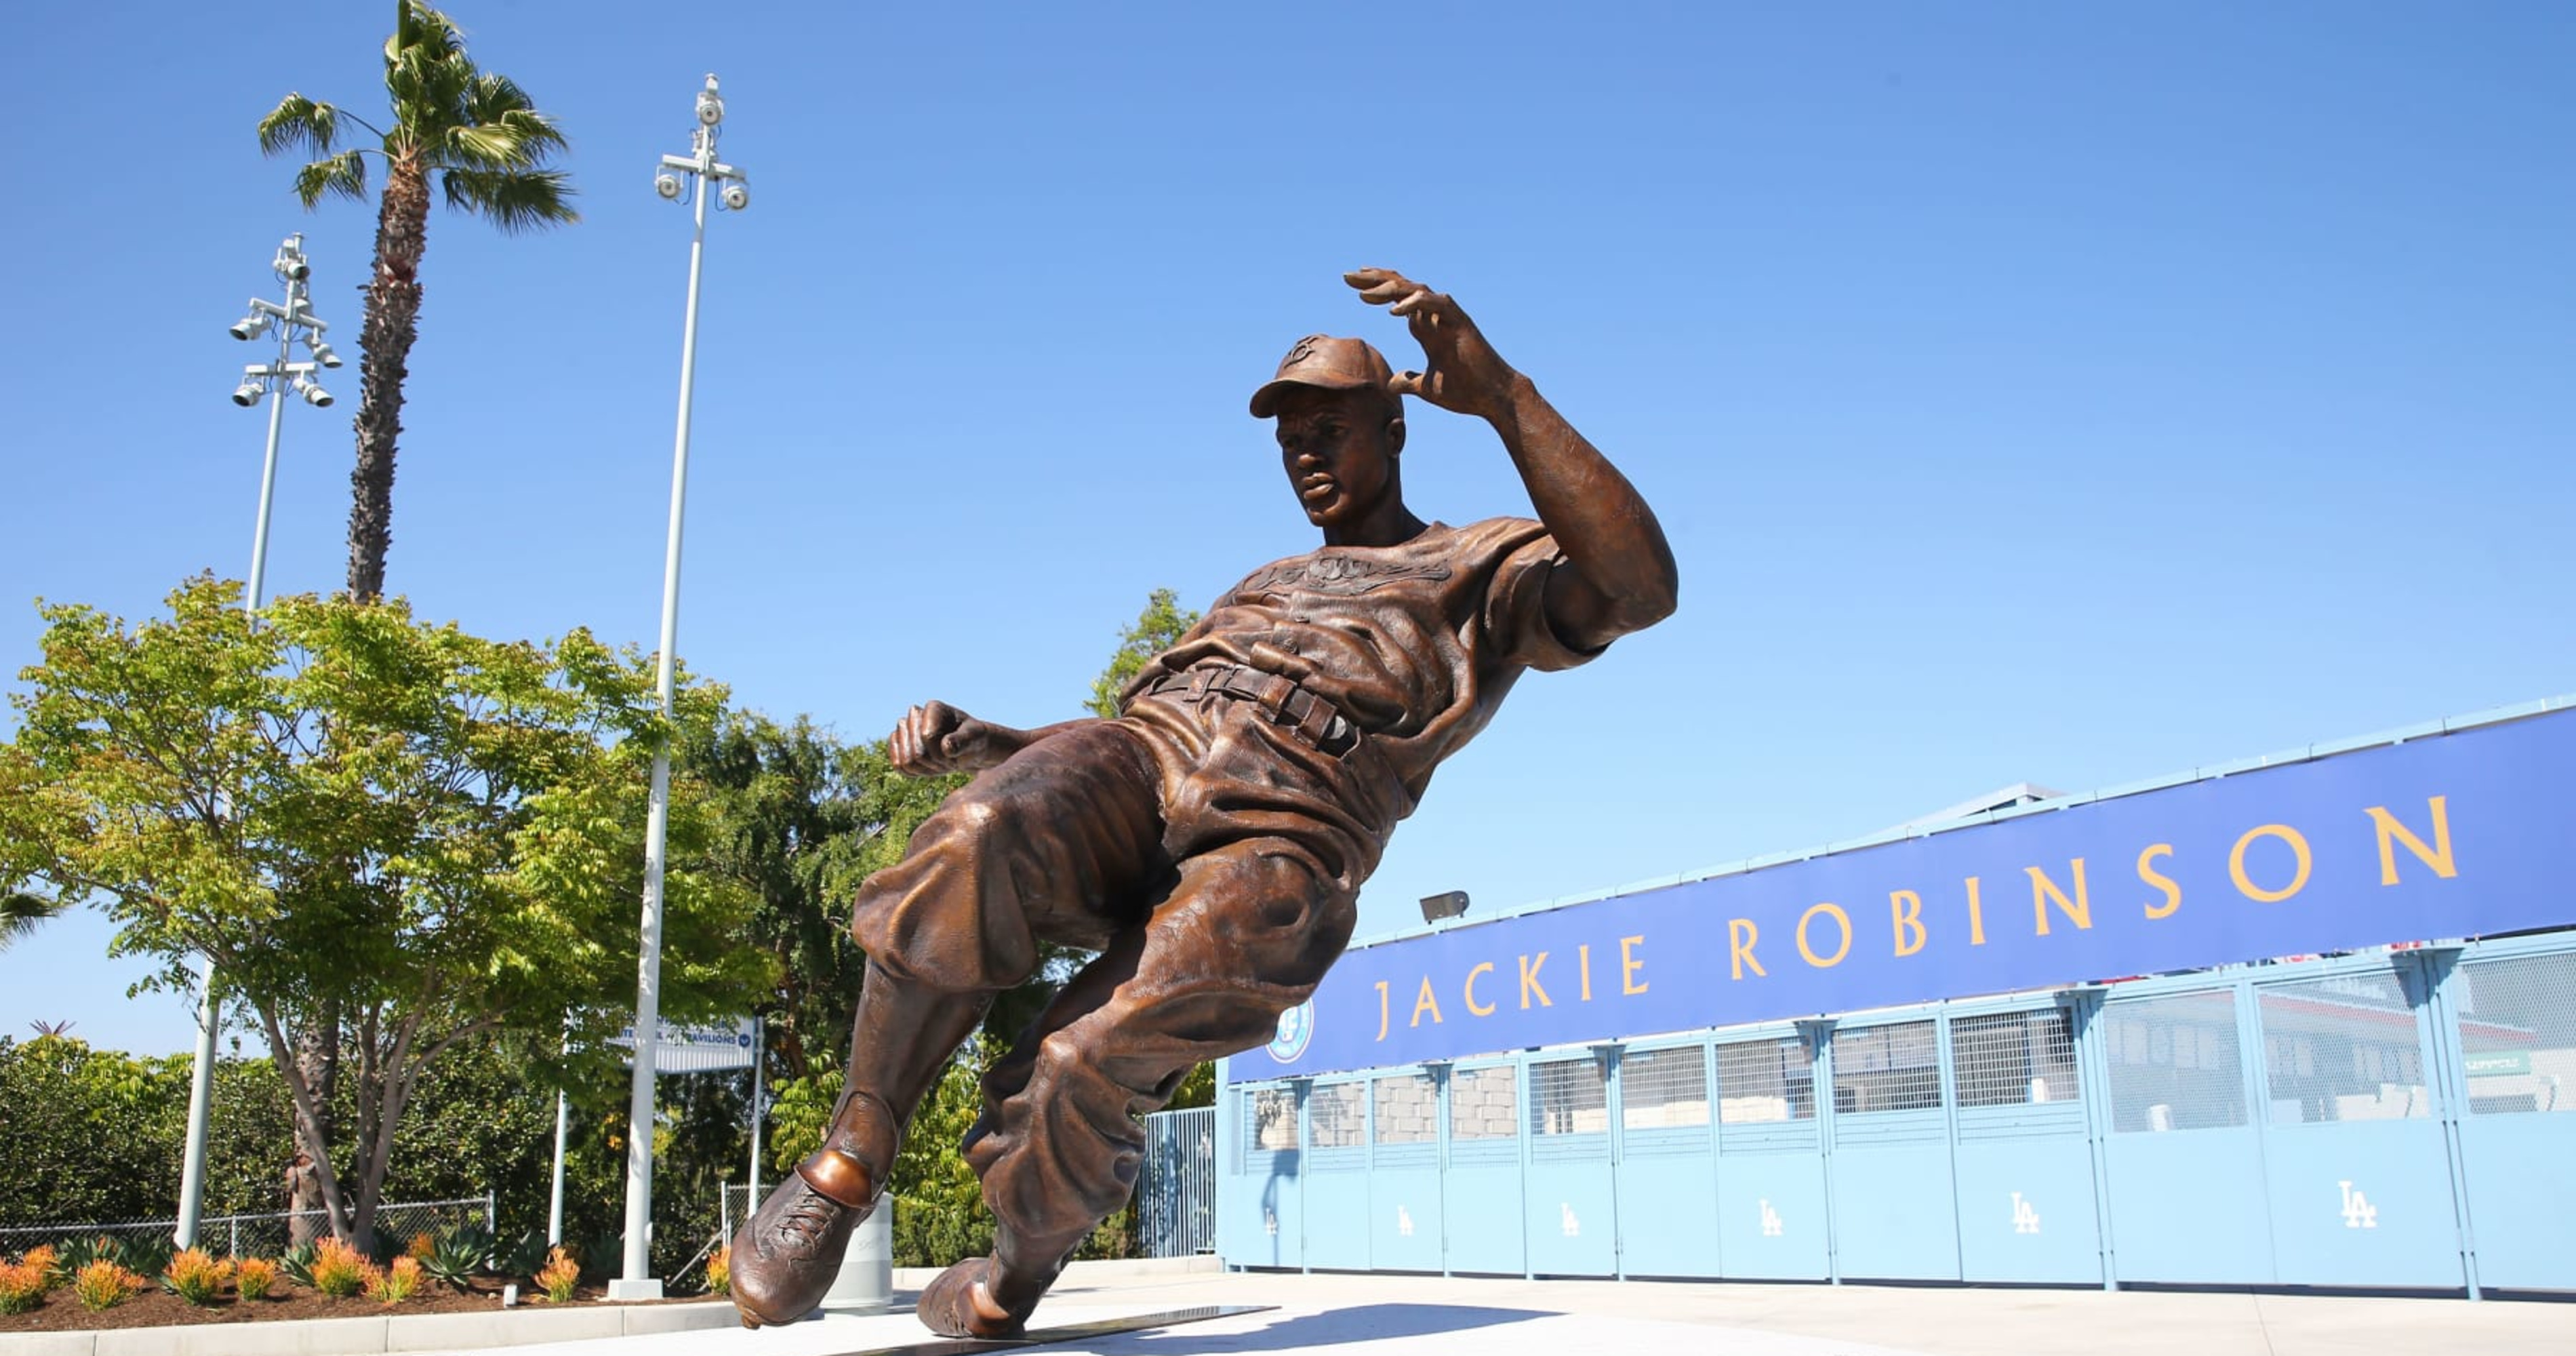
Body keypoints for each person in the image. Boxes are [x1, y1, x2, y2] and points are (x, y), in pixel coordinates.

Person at [729, 268, 1678, 1335]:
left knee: (1082, 1059)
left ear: (1397, 430)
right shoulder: (1262, 582)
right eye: (1289, 440)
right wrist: (996, 743)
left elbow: (1639, 589)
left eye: (1332, 429)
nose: (1308, 455)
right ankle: (854, 1151)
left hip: (1283, 836)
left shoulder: (1474, 565)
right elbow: (1163, 720)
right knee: (978, 833)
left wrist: (1506, 395)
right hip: (1146, 761)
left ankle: (1012, 1277)